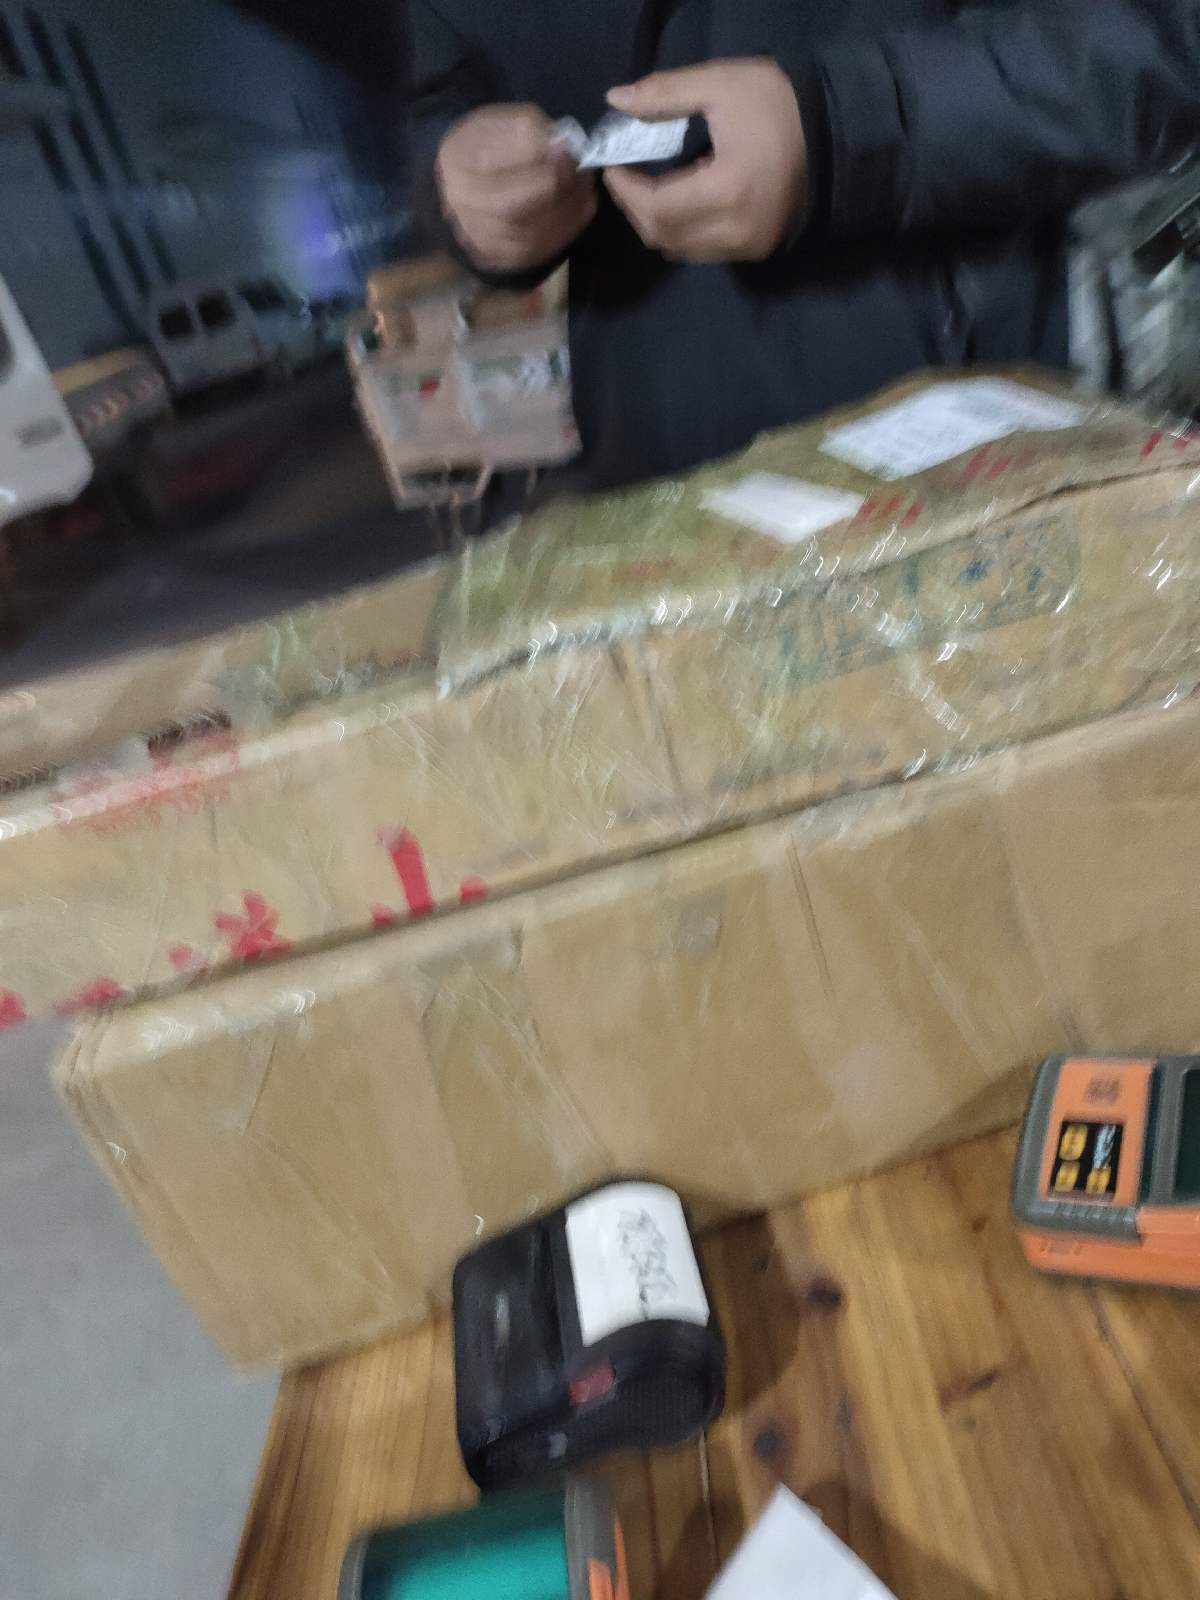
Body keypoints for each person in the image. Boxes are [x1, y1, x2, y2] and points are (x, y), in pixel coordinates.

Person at [408, 1, 1200, 488]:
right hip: (679, 477)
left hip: (1016, 418)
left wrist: (854, 126)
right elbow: (439, 84)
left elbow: (1164, 38)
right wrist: (462, 187)